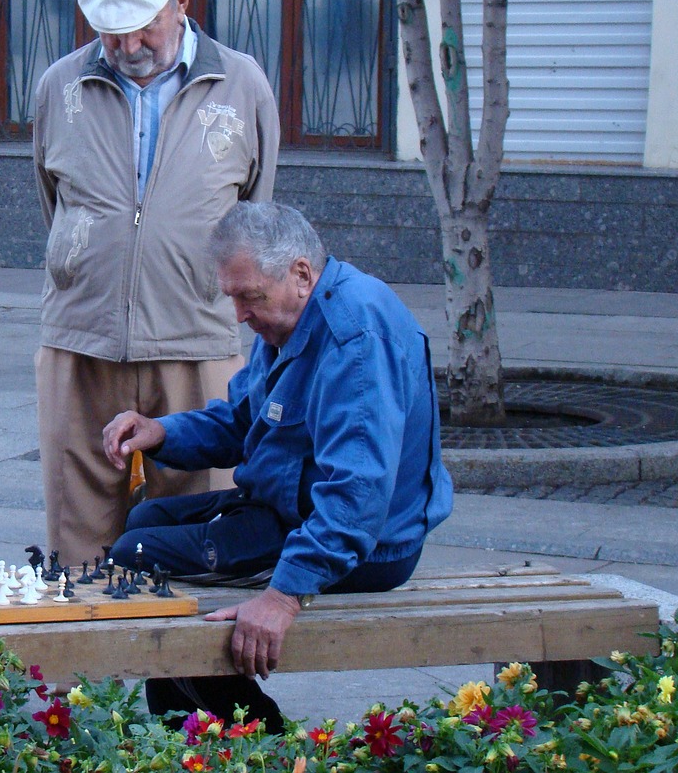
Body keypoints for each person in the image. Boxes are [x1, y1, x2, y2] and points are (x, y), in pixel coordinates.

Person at [102, 202, 454, 727]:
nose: (239, 315)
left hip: (366, 544)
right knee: (144, 524)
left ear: (302, 275)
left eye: (249, 297)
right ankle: (184, 734)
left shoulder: (354, 337)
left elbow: (357, 496)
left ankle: (260, 736)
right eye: (232, 298)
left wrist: (284, 597)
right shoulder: (288, 319)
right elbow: (245, 422)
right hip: (288, 509)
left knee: (138, 554)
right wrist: (161, 432)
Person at [33, 0, 280, 568]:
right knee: (77, 546)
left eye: (144, 24)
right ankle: (86, 669)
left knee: (202, 543)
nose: (128, 44)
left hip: (199, 344)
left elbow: (255, 213)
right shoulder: (59, 88)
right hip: (80, 342)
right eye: (111, 30)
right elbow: (55, 204)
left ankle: (184, 674)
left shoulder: (243, 85)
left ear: (183, 0)